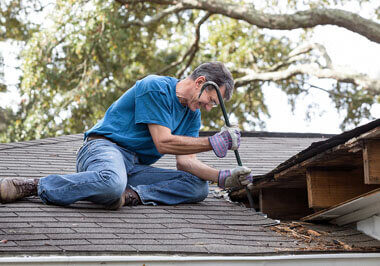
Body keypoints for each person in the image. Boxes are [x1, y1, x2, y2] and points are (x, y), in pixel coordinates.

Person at [0, 62, 252, 210]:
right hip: (103, 149)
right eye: (210, 100)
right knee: (110, 181)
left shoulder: (191, 115)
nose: (209, 108)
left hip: (133, 167)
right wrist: (214, 142)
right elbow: (162, 142)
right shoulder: (155, 87)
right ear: (200, 82)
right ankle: (34, 186)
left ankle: (127, 196)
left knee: (197, 187)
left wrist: (223, 178)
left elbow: (186, 162)